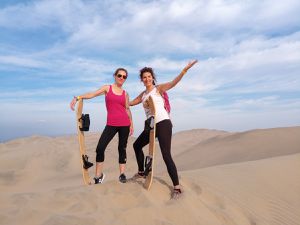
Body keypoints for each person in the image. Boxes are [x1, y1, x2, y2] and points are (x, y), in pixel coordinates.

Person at [129, 60, 198, 199]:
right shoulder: (142, 95)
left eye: (149, 76)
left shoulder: (158, 89)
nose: (147, 79)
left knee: (166, 154)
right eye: (144, 77)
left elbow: (173, 83)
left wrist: (184, 70)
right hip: (150, 125)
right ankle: (142, 172)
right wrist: (114, 96)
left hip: (163, 123)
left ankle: (177, 188)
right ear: (142, 80)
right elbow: (129, 103)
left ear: (152, 77)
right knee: (136, 145)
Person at [70, 68, 133, 184]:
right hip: (111, 124)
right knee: (100, 148)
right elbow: (92, 94)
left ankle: (122, 174)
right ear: (114, 75)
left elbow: (127, 109)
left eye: (124, 77)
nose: (121, 78)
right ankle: (98, 176)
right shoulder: (107, 88)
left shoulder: (125, 94)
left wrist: (131, 124)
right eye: (119, 75)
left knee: (122, 148)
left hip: (125, 123)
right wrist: (78, 97)